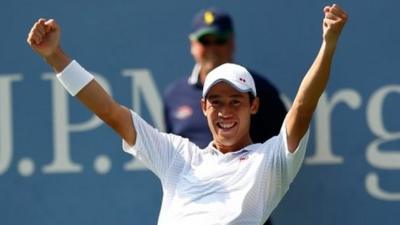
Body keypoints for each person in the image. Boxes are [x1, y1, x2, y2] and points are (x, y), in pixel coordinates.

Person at [27, 4, 348, 225]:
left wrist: (328, 45)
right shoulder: (177, 155)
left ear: (254, 106)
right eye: (217, 102)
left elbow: (304, 107)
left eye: (235, 102)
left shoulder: (272, 160)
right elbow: (110, 112)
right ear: (204, 108)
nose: (225, 111)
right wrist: (56, 57)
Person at [163, 8, 287, 150]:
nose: (213, 48)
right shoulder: (174, 95)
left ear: (232, 42)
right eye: (205, 41)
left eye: (219, 40)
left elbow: (282, 147)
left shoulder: (262, 90)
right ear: (192, 45)